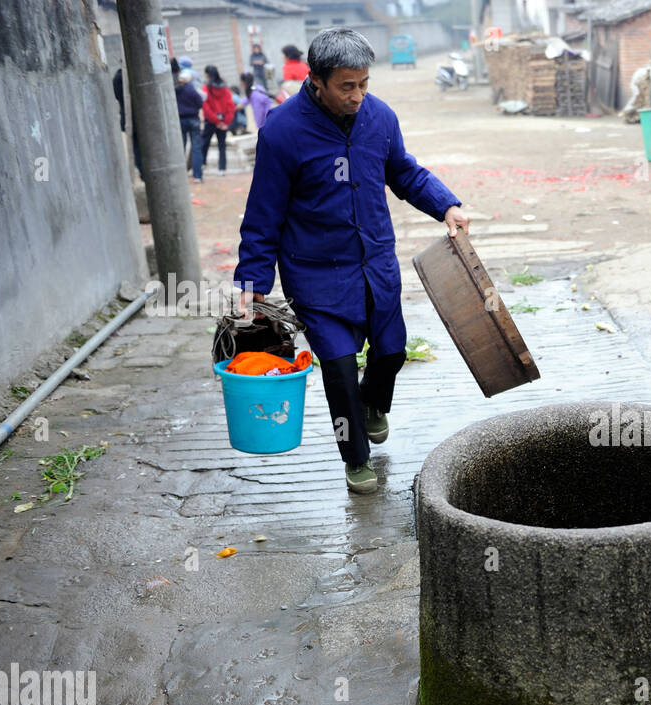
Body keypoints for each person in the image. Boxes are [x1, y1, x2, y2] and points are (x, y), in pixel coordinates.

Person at [234, 28, 469, 494]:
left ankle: (374, 403)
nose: (358, 95)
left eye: (364, 83)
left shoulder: (379, 118)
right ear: (316, 80)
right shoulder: (282, 132)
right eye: (347, 85)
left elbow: (403, 172)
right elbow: (264, 212)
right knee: (340, 369)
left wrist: (446, 204)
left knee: (392, 351)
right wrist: (253, 280)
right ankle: (355, 457)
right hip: (316, 274)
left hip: (375, 263)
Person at [200, 65, 234, 174]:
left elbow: (205, 106)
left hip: (211, 121)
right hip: (223, 121)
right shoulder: (225, 88)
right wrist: (225, 122)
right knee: (222, 145)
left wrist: (215, 120)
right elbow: (230, 105)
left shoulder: (205, 88)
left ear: (207, 75)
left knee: (205, 142)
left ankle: (202, 165)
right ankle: (222, 169)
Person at [175, 69, 204, 183]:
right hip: (193, 119)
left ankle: (181, 177)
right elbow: (200, 102)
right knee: (196, 148)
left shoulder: (175, 89)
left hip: (180, 120)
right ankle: (197, 176)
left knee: (181, 147)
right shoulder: (191, 88)